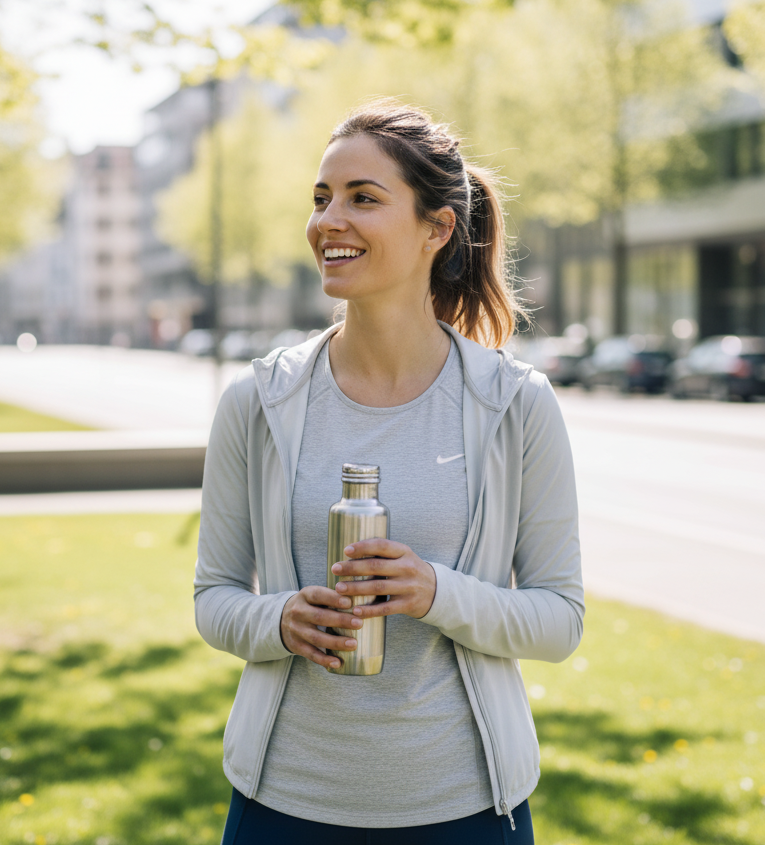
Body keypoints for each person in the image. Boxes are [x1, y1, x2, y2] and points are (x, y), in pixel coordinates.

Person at [194, 102, 584, 845]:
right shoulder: (260, 400)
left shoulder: (514, 404)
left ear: (437, 229)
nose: (328, 221)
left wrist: (437, 592)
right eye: (321, 198)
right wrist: (279, 620)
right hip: (284, 804)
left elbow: (560, 620)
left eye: (363, 198)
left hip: (465, 810)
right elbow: (213, 597)